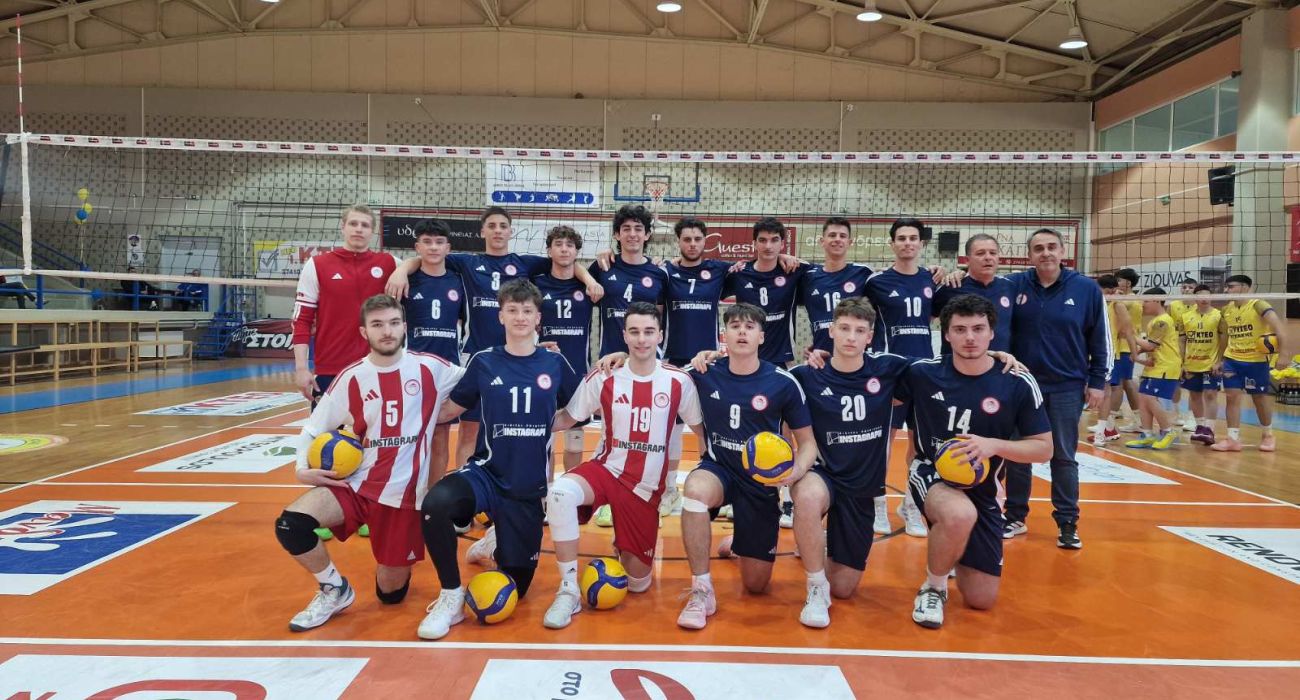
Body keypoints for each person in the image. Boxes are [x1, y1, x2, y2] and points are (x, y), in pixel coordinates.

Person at [273, 295, 465, 632]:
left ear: (404, 327)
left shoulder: (432, 368)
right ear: (364, 332)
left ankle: (391, 561)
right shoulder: (352, 377)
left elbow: (485, 373)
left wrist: (536, 355)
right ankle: (334, 589)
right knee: (291, 524)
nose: (387, 331)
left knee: (390, 594)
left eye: (393, 323)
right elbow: (313, 428)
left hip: (403, 496)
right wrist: (301, 469)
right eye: (377, 325)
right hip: (356, 483)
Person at [415, 279, 580, 640]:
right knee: (436, 504)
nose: (520, 317)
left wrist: (550, 423)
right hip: (486, 473)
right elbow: (450, 410)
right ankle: (451, 596)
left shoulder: (554, 362)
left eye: (527, 311)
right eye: (512, 310)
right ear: (501, 315)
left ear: (538, 318)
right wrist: (405, 414)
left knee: (517, 588)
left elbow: (579, 407)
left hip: (527, 486)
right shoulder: (484, 361)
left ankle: (493, 542)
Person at [388, 207, 602, 470]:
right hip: (477, 357)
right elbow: (427, 255)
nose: (498, 231)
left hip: (517, 359)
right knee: (470, 431)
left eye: (503, 226)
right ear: (482, 231)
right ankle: (467, 486)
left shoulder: (525, 263)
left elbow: (566, 261)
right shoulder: (467, 263)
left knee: (523, 429)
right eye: (492, 226)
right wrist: (401, 269)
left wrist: (589, 279)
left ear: (511, 231)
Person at [541, 302, 705, 629]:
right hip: (606, 470)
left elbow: (702, 431)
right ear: (625, 335)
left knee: (637, 583)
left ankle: (624, 545)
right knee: (559, 493)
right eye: (634, 332)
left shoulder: (679, 381)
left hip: (645, 489)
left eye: (648, 332)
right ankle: (569, 589)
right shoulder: (605, 375)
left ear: (660, 335)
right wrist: (524, 419)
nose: (642, 339)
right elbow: (567, 419)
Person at [902, 294, 1052, 629]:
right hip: (931, 473)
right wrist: (822, 355)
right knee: (959, 514)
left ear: (991, 333)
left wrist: (993, 445)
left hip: (983, 488)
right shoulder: (922, 373)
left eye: (978, 329)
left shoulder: (1016, 381)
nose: (969, 337)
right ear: (946, 334)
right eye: (960, 329)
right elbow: (866, 371)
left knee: (981, 599)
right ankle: (934, 587)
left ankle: (952, 542)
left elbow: (1044, 449)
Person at [675, 303, 816, 630]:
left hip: (760, 482)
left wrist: (792, 475)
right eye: (735, 326)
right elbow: (659, 375)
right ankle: (701, 590)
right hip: (719, 470)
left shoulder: (782, 382)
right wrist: (623, 358)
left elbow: (808, 443)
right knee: (694, 491)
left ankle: (740, 541)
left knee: (756, 585)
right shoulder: (704, 371)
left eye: (750, 327)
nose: (742, 331)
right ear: (724, 334)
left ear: (761, 337)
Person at [788, 297, 909, 628]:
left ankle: (817, 544)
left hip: (862, 488)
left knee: (843, 588)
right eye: (844, 328)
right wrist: (713, 356)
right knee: (807, 496)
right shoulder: (805, 375)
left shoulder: (888, 368)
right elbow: (761, 377)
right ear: (831, 331)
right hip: (823, 474)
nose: (851, 337)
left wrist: (998, 355)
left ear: (870, 336)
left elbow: (943, 368)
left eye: (859, 331)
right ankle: (816, 587)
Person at [1002, 228, 1109, 549]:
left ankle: (1067, 522)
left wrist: (1097, 382)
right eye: (1038, 248)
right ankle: (1015, 516)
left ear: (1063, 251)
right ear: (1030, 255)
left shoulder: (1086, 289)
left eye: (1051, 247)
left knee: (1062, 456)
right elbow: (982, 285)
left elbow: (1100, 338)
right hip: (1022, 385)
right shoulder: (1014, 284)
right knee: (1017, 454)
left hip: (1066, 386)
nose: (1046, 253)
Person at [865, 217, 939, 539]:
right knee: (882, 443)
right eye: (901, 238)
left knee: (919, 445)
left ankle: (911, 506)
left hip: (923, 371)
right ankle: (878, 505)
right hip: (890, 372)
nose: (907, 243)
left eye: (913, 238)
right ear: (892, 243)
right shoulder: (876, 282)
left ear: (921, 244)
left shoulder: (932, 279)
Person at [293, 204, 398, 407]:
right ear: (343, 227)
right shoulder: (317, 265)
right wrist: (301, 368)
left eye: (365, 225)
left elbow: (421, 263)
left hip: (378, 367)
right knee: (327, 429)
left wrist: (404, 269)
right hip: (331, 368)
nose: (359, 229)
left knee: (375, 429)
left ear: (373, 231)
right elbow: (302, 320)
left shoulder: (390, 263)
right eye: (353, 224)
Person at [403, 219, 468, 482]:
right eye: (427, 242)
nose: (433, 247)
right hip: (412, 372)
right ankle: (407, 495)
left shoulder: (459, 282)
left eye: (439, 242)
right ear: (417, 247)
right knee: (408, 438)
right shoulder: (406, 280)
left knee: (440, 437)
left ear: (448, 248)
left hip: (447, 371)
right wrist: (401, 270)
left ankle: (433, 496)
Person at [533, 225, 596, 474]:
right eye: (558, 244)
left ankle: (570, 487)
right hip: (543, 369)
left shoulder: (588, 286)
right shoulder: (536, 284)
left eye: (569, 245)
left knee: (574, 436)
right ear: (549, 251)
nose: (564, 249)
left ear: (576, 252)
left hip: (576, 370)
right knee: (544, 436)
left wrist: (589, 279)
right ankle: (545, 490)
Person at [1211, 274, 1287, 452]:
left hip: (1256, 361)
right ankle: (1232, 438)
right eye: (1226, 287)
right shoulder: (1227, 309)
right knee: (1231, 397)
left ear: (1245, 287)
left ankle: (1268, 435)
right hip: (1232, 360)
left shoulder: (1259, 305)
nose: (1226, 290)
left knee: (1259, 398)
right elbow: (1225, 337)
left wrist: (1283, 354)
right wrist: (1220, 359)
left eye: (1231, 286)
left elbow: (1278, 327)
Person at [589, 204, 669, 358]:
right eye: (626, 229)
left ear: (647, 235)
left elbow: (660, 315)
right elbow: (572, 272)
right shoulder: (603, 266)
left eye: (638, 229)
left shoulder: (660, 272)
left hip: (647, 359)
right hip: (610, 359)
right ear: (617, 235)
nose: (632, 234)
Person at [798, 217, 874, 354]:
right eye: (832, 235)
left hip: (856, 356)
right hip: (820, 356)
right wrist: (782, 256)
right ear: (822, 241)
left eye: (842, 236)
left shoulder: (863, 273)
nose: (837, 239)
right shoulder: (807, 276)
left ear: (849, 242)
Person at [1124, 288, 1182, 450]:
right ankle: (1147, 435)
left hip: (1166, 365)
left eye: (1146, 301)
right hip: (1155, 364)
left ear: (1157, 300)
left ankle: (1169, 431)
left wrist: (1131, 335)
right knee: (1143, 398)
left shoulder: (1162, 321)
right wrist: (1137, 352)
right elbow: (1152, 345)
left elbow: (1150, 345)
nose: (1143, 305)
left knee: (1149, 398)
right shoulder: (1154, 321)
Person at [1092, 275, 1138, 446]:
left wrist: (1134, 352)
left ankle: (1103, 431)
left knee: (1108, 391)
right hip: (1091, 352)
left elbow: (1128, 330)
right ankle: (1107, 429)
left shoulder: (1117, 304)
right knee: (1096, 391)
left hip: (1107, 353)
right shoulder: (1095, 302)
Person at [1181, 284, 1222, 445]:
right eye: (1201, 296)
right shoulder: (1185, 316)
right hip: (1191, 363)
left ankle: (1210, 429)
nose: (1204, 299)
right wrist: (1182, 362)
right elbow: (1182, 340)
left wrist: (1219, 361)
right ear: (1195, 298)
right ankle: (1200, 427)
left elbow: (1224, 339)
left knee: (1211, 394)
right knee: (1194, 395)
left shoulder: (1219, 315)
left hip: (1211, 363)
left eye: (1207, 295)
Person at [1167, 277, 1199, 430]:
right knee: (1175, 382)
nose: (1187, 290)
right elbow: (1167, 326)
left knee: (1193, 385)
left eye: (1190, 287)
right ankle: (1177, 413)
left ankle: (1192, 417)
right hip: (1175, 348)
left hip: (1194, 348)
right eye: (1184, 287)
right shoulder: (1173, 306)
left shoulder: (1199, 306)